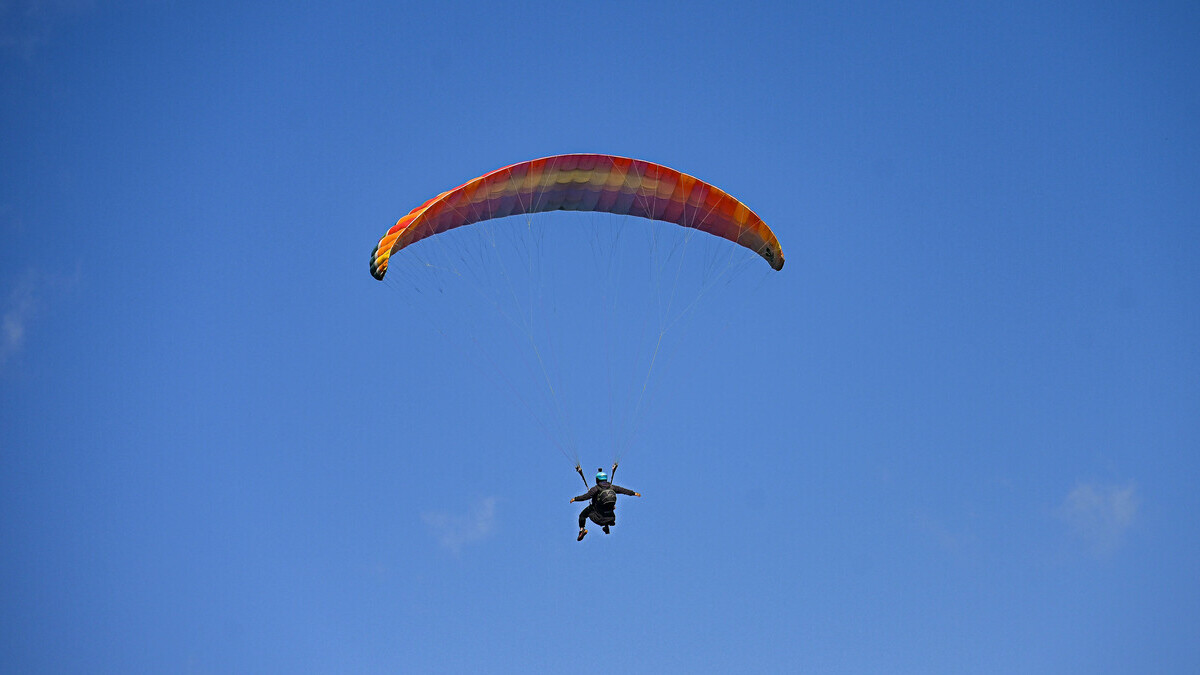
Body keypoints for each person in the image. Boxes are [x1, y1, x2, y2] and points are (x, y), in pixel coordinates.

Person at [570, 468, 641, 541]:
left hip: (599, 518)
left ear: (597, 480)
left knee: (582, 515)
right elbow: (623, 490)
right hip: (611, 517)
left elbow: (586, 496)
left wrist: (575, 498)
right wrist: (634, 493)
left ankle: (582, 530)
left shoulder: (595, 489)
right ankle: (607, 525)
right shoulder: (612, 487)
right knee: (607, 506)